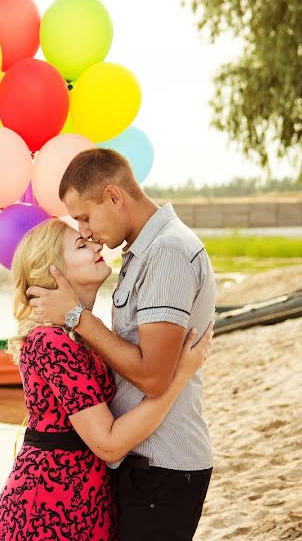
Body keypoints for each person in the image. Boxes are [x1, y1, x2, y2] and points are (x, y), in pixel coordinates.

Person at [27, 148, 216, 541]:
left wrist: (78, 319)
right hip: (144, 468)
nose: (86, 232)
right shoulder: (144, 252)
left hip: (159, 467)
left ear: (114, 197)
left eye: (84, 217)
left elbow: (152, 377)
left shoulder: (165, 252)